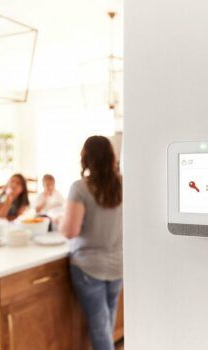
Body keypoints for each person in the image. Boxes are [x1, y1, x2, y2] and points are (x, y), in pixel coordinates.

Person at [60, 136, 122, 350]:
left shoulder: (80, 188)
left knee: (99, 327)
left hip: (89, 267)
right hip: (118, 264)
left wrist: (59, 221)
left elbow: (70, 231)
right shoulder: (124, 184)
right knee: (107, 323)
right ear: (111, 158)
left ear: (85, 158)